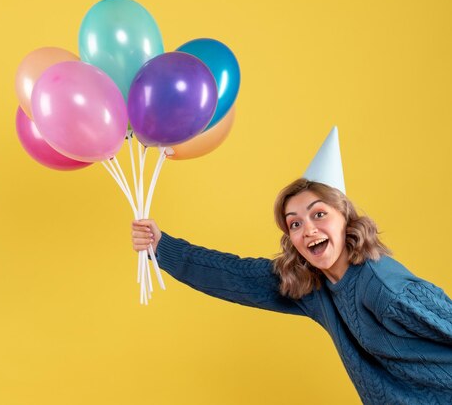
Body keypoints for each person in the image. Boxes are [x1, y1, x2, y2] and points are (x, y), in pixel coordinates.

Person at [131, 128, 452, 405]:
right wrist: (161, 247)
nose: (308, 229)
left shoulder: (386, 289)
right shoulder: (312, 287)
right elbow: (234, 276)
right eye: (294, 223)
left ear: (346, 218)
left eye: (319, 214)